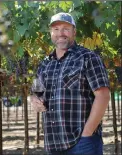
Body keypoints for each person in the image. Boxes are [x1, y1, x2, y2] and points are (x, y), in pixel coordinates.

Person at [30, 12, 110, 155]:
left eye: (66, 28)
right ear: (50, 33)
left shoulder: (88, 58)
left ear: (74, 32)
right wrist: (34, 100)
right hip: (53, 144)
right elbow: (36, 93)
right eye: (56, 29)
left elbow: (103, 95)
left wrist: (87, 133)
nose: (61, 33)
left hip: (82, 143)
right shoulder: (44, 64)